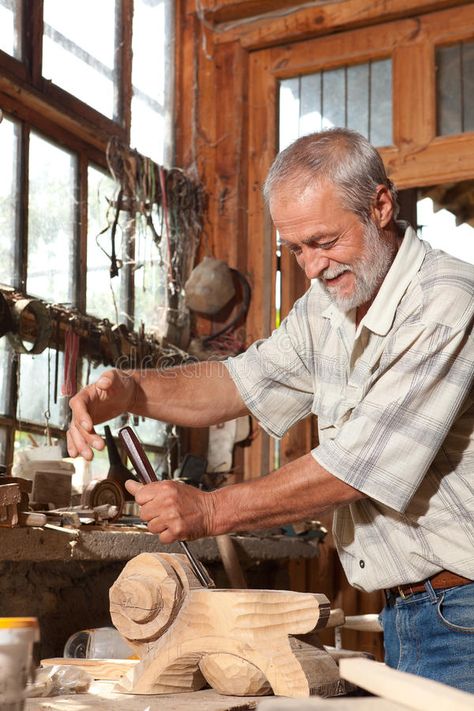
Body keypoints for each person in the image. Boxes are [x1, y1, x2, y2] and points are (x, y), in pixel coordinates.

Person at [68, 128, 474, 692]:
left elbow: (355, 466)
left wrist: (211, 513)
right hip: (412, 608)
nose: (312, 266)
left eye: (325, 241)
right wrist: (132, 390)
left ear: (381, 205)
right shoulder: (330, 303)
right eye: (297, 248)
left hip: (464, 613)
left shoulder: (446, 302)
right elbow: (238, 381)